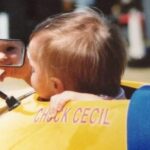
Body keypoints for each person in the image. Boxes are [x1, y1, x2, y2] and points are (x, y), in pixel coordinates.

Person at [0, 8, 126, 116]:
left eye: (33, 70)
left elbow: (119, 110)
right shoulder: (106, 89)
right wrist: (26, 73)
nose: (28, 68)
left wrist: (90, 102)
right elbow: (49, 87)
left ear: (56, 86)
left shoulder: (116, 110)